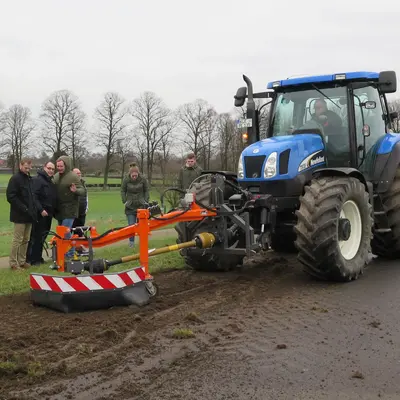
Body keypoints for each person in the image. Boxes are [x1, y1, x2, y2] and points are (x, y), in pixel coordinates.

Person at [6, 158, 37, 270]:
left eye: (29, 168)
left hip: (29, 215)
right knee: (17, 239)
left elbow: (32, 197)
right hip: (19, 215)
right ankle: (13, 263)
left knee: (26, 239)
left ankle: (22, 261)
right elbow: (11, 196)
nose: (27, 169)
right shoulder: (15, 179)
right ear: (20, 165)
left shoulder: (29, 179)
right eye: (25, 167)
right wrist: (23, 208)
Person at [53, 156, 85, 258]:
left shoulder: (73, 176)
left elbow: (82, 191)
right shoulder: (56, 176)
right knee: (61, 233)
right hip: (59, 209)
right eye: (57, 166)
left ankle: (70, 253)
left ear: (66, 165)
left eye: (61, 166)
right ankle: (64, 251)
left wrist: (75, 190)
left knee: (66, 232)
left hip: (70, 209)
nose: (59, 168)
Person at [26, 161, 57, 265]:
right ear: (44, 168)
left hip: (48, 213)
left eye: (53, 169)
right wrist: (41, 209)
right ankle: (32, 259)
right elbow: (34, 197)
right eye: (49, 168)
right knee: (37, 236)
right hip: (40, 213)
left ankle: (38, 257)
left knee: (43, 236)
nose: (51, 171)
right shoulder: (38, 180)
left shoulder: (49, 181)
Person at [120, 164, 149, 248]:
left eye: (136, 175)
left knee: (142, 226)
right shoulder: (126, 179)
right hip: (130, 206)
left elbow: (146, 190)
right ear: (130, 174)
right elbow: (122, 190)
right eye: (133, 175)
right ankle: (131, 243)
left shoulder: (143, 179)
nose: (134, 177)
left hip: (141, 205)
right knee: (131, 225)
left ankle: (143, 243)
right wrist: (124, 200)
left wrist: (146, 200)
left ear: (138, 173)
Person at [71, 168, 88, 234]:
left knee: (80, 232)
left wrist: (86, 208)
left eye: (79, 173)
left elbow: (86, 196)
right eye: (76, 173)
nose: (79, 174)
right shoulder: (71, 184)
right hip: (73, 213)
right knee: (71, 230)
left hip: (82, 212)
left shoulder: (83, 183)